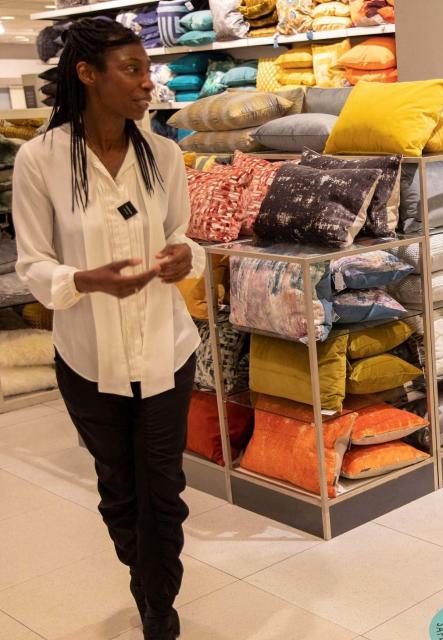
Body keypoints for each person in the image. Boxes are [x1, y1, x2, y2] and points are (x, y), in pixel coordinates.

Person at [13, 18, 204, 640]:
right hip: (90, 358)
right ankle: (144, 579)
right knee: (119, 488)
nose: (150, 83)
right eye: (133, 70)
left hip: (165, 349)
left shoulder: (164, 154)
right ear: (87, 74)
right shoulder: (39, 160)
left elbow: (182, 238)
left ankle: (159, 607)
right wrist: (86, 281)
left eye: (149, 70)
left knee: (165, 487)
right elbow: (32, 263)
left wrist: (186, 257)